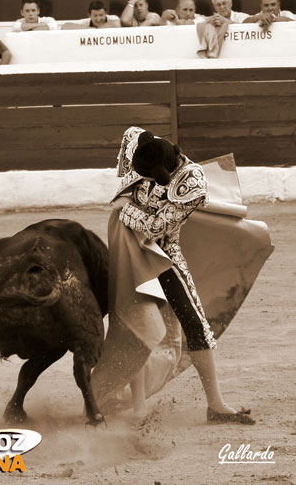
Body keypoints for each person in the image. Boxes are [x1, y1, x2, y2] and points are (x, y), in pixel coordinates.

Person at [91, 126, 262, 424]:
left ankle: (216, 405)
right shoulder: (143, 146)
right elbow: (129, 143)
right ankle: (140, 408)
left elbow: (158, 228)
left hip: (165, 256)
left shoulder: (192, 182)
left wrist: (124, 209)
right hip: (131, 255)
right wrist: (124, 205)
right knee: (136, 324)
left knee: (195, 325)